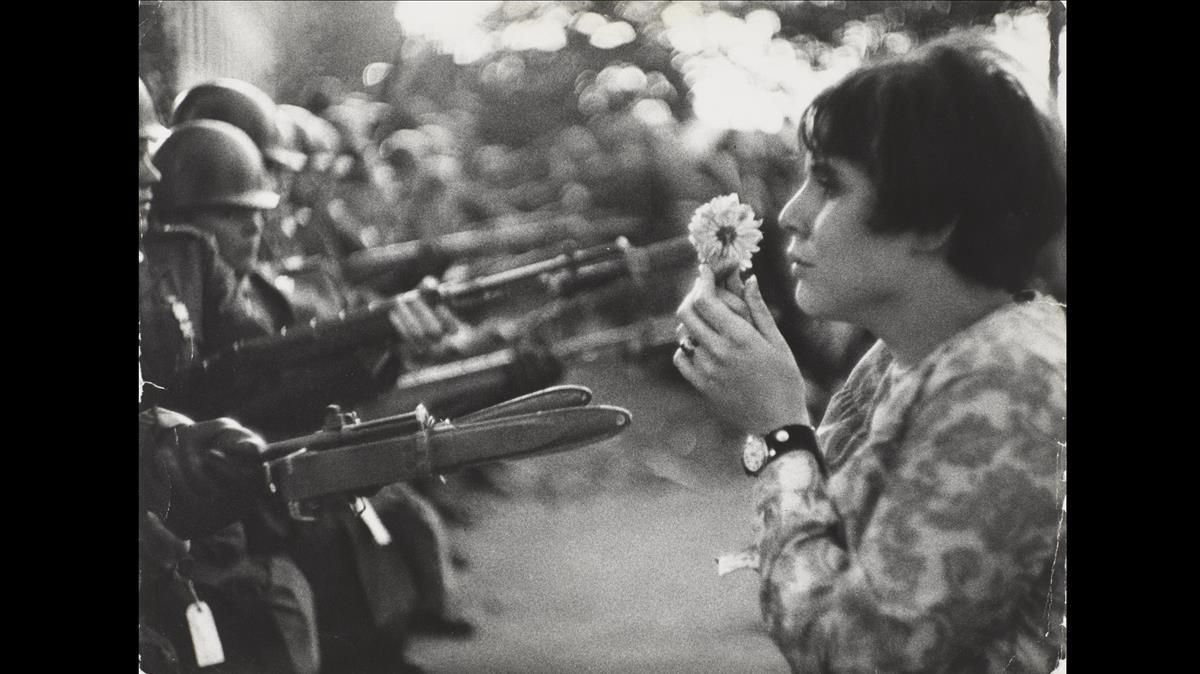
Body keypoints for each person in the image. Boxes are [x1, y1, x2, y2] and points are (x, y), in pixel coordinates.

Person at [673, 33, 1066, 672]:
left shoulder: (1009, 381)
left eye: (828, 184)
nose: (793, 215)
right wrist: (770, 406)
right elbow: (828, 540)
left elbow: (858, 653)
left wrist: (778, 432)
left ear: (936, 219)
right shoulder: (905, 356)